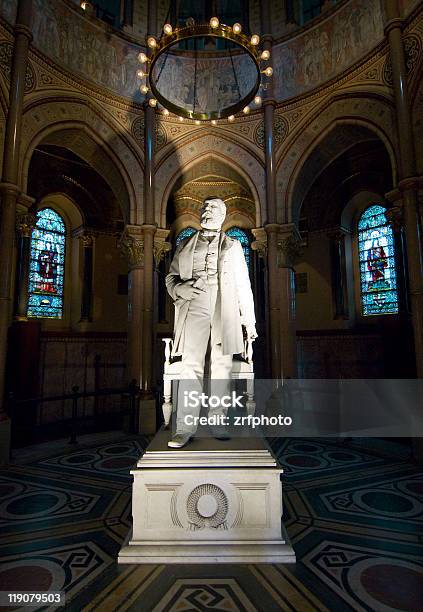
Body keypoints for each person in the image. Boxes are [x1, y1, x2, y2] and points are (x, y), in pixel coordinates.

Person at [165, 197, 257, 448]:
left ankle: (218, 421)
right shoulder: (185, 244)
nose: (207, 211)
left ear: (223, 215)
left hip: (224, 307)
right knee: (190, 365)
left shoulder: (234, 246)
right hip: (194, 306)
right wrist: (181, 289)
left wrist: (250, 321)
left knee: (221, 366)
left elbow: (243, 286)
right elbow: (170, 278)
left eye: (213, 208)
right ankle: (184, 427)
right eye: (204, 208)